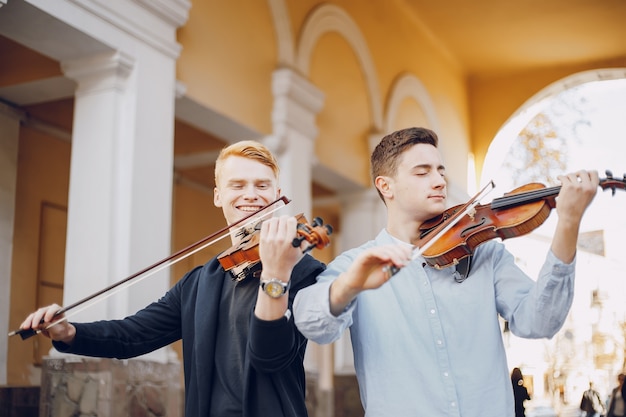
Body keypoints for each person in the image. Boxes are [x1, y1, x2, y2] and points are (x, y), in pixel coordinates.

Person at [293, 127, 599, 417]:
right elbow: (311, 322)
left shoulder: (483, 251)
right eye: (422, 172)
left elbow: (539, 322)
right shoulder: (357, 265)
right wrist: (349, 285)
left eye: (440, 170)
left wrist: (568, 224)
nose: (439, 181)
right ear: (386, 186)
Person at [18, 140, 326, 417]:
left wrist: (275, 272)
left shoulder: (302, 271)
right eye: (237, 185)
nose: (251, 195)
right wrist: (69, 332)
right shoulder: (199, 283)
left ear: (276, 193)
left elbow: (271, 355)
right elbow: (132, 334)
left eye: (262, 185)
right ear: (218, 196)